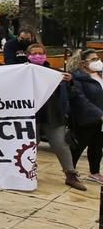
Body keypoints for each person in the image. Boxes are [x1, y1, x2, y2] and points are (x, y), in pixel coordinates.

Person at [24, 44, 86, 191]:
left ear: (45, 55)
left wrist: (70, 82)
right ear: (28, 55)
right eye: (34, 53)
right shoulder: (23, 72)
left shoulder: (57, 73)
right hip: (30, 115)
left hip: (53, 114)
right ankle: (25, 173)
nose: (38, 56)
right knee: (30, 145)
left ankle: (71, 174)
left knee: (60, 144)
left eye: (41, 53)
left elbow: (72, 95)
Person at [69, 49, 103, 184]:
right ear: (83, 63)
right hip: (86, 119)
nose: (98, 61)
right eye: (93, 59)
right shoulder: (77, 77)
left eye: (98, 58)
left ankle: (94, 173)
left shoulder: (100, 75)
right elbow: (80, 99)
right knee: (78, 147)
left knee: (97, 147)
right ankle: (70, 172)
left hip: (100, 120)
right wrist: (98, 114)